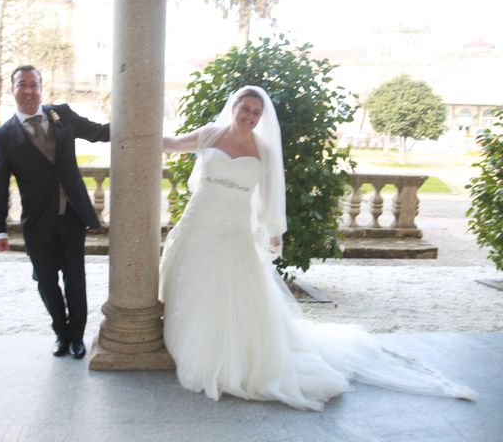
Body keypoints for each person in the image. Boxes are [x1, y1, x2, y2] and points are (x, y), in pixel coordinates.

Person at [160, 85, 476, 410]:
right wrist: (136, 134)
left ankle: (224, 352)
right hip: (199, 221)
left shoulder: (264, 150)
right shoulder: (211, 134)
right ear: (234, 106)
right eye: (246, 109)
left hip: (235, 228)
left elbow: (269, 196)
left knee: (233, 287)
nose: (250, 116)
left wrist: (273, 231)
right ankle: (187, 341)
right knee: (194, 279)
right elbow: (171, 144)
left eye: (257, 112)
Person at [0, 65, 110, 359]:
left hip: (71, 214)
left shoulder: (62, 114)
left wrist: (134, 122)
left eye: (34, 84)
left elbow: (98, 132)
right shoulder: (4, 135)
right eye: (22, 85)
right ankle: (60, 332)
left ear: (41, 88)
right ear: (12, 89)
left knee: (75, 277)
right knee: (45, 280)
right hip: (37, 221)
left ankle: (77, 337)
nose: (28, 90)